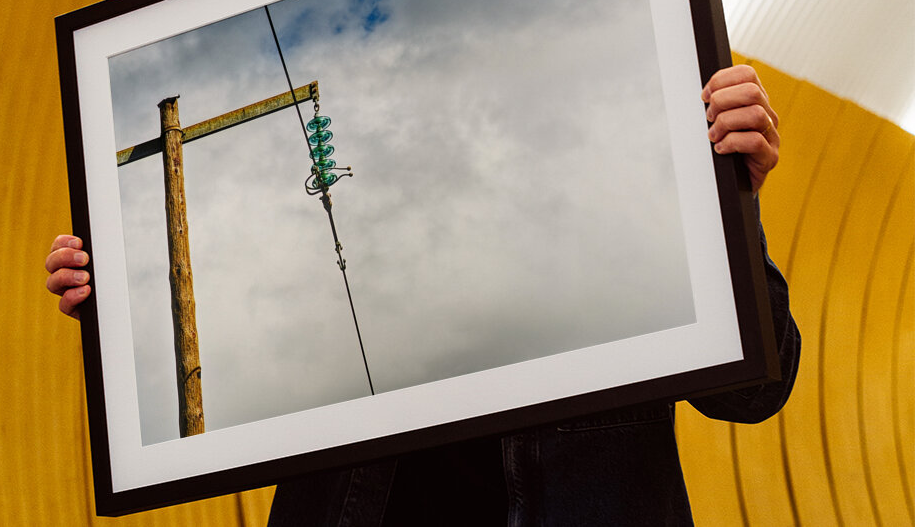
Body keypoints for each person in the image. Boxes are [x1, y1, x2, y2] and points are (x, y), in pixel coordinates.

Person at [45, 65, 800, 526]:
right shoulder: (339, 269)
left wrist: (729, 199)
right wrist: (127, 294)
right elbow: (239, 339)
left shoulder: (633, 218)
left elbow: (757, 388)